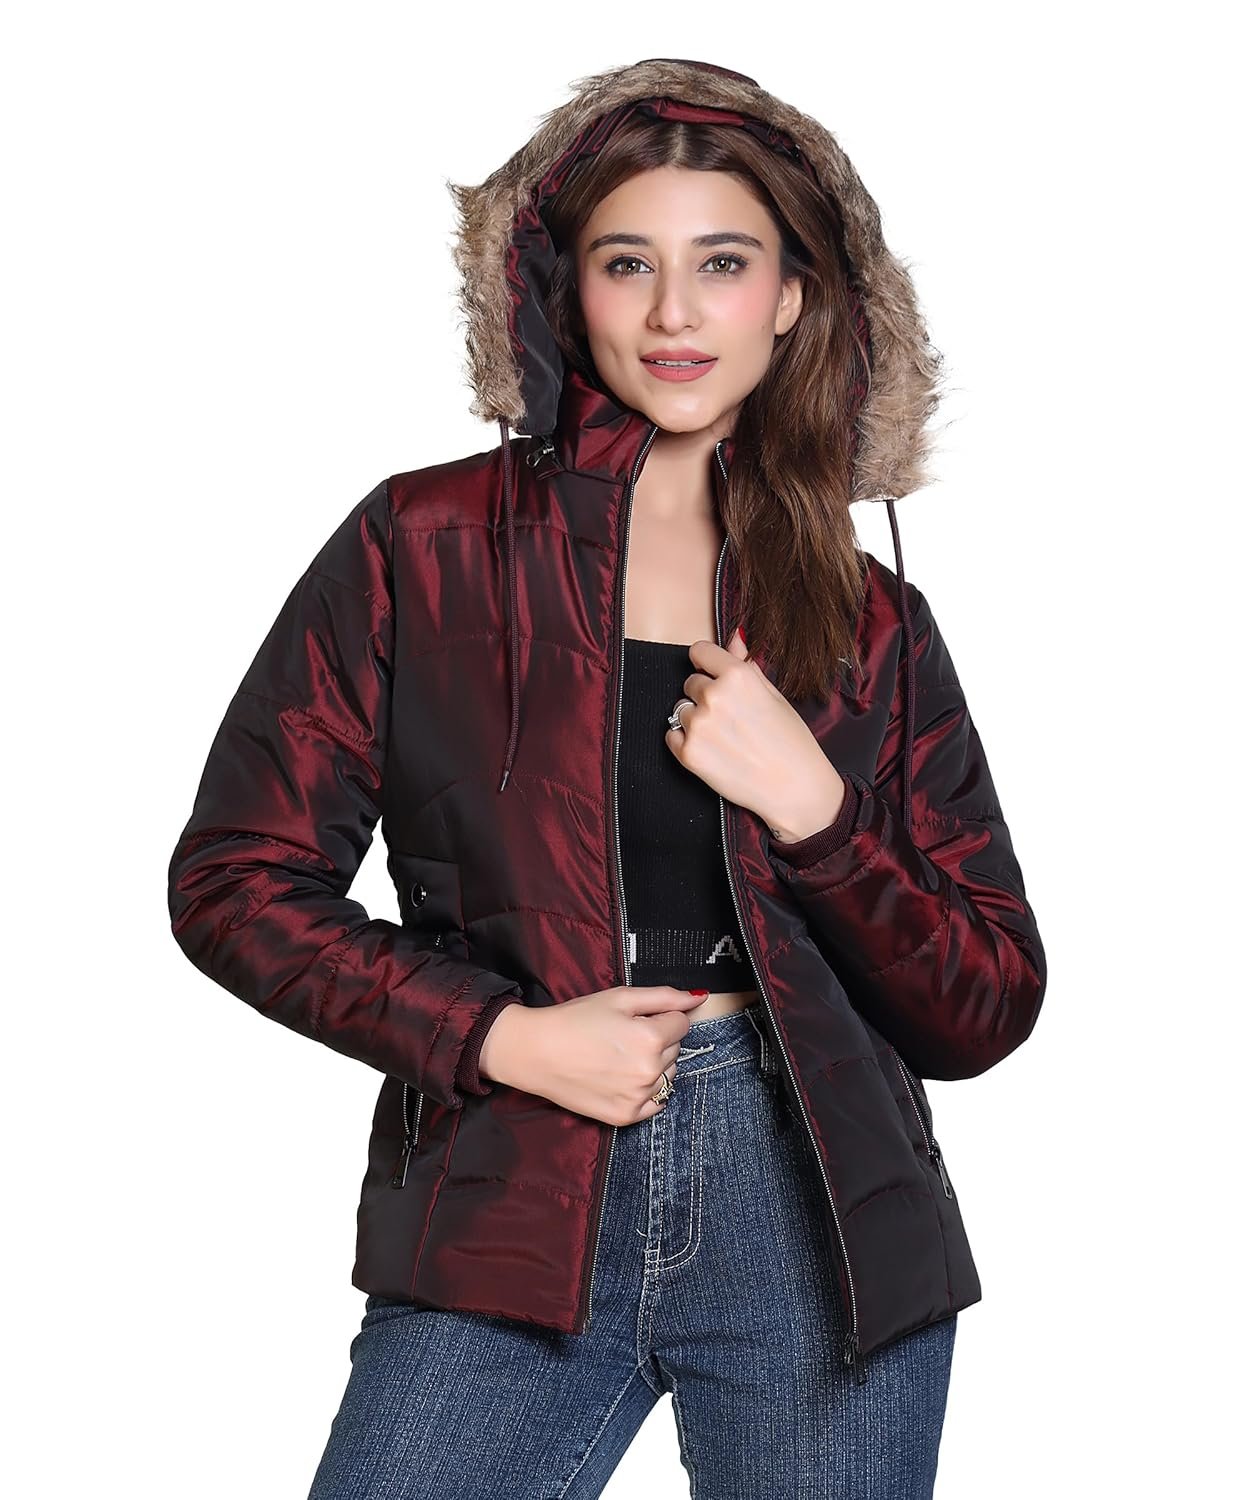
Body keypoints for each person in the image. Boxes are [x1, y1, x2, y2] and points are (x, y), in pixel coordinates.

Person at [167, 57, 1047, 1499]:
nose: (674, 313)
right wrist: (500, 1038)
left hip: (821, 1221)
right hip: (510, 1191)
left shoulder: (873, 619)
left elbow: (985, 1002)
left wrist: (816, 813)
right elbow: (235, 883)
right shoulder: (422, 544)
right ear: (562, 289)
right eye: (627, 263)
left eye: (724, 264)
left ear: (795, 298)